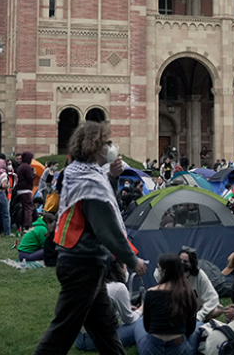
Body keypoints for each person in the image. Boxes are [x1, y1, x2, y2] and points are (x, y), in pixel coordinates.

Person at [33, 122, 147, 355]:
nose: (111, 147)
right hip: (82, 265)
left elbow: (102, 206)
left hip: (84, 263)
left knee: (105, 330)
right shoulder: (91, 183)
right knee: (61, 332)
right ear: (95, 148)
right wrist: (132, 260)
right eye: (107, 143)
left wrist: (113, 178)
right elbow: (107, 227)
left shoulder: (79, 174)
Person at [134, 253, 200, 355]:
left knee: (139, 323)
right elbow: (190, 329)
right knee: (199, 326)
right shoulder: (187, 293)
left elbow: (147, 327)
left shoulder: (151, 293)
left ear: (163, 272)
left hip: (152, 350)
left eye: (158, 268)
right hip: (179, 348)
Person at [74, 257, 141, 351]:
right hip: (97, 340)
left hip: (79, 339)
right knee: (142, 322)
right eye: (125, 267)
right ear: (119, 268)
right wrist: (140, 310)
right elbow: (129, 319)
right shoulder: (117, 287)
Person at [159, 247, 222, 322]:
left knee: (218, 309)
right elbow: (157, 273)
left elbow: (213, 298)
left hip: (197, 310)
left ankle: (197, 320)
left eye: (185, 262)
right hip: (177, 310)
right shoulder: (171, 273)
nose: (182, 264)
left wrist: (200, 315)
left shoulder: (199, 276)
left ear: (192, 264)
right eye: (180, 261)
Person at [16, 151, 38, 232]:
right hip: (26, 190)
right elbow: (30, 178)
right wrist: (34, 173)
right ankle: (27, 226)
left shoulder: (21, 167)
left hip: (20, 189)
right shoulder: (27, 167)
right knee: (29, 208)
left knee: (24, 208)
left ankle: (22, 225)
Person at [0, 153, 12, 236]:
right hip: (2, 193)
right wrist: (10, 186)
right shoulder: (3, 173)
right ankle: (7, 231)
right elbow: (4, 185)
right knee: (5, 214)